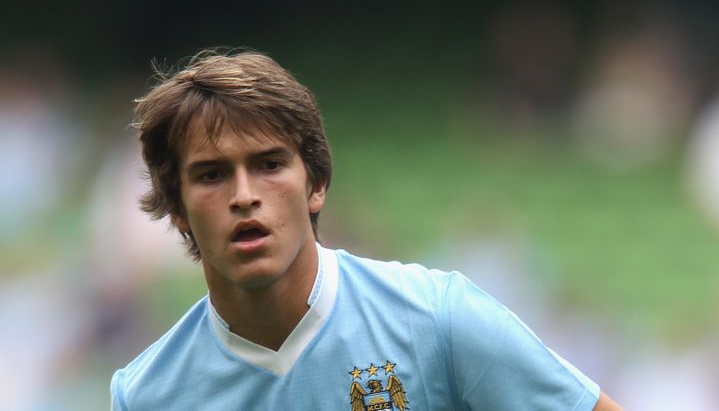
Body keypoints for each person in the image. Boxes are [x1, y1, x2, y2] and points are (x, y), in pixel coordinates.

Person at [110, 48, 622, 410]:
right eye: (212, 174)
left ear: (317, 185)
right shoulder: (146, 394)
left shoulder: (439, 320)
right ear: (176, 207)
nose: (244, 195)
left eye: (269, 164)